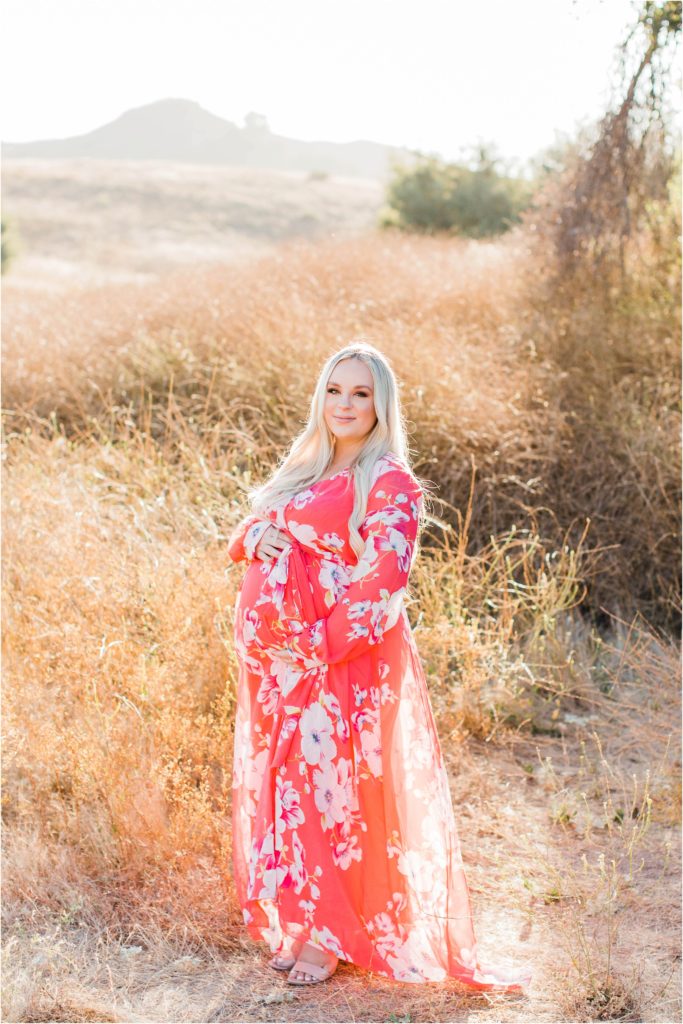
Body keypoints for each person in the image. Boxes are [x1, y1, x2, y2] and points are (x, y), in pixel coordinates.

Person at [227, 341, 532, 990]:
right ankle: (305, 923)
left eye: (360, 393)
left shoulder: (389, 481)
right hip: (280, 669)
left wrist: (314, 650)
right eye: (335, 390)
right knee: (291, 790)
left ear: (380, 404)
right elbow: (247, 530)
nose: (344, 404)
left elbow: (381, 587)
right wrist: (255, 539)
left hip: (341, 667)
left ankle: (332, 937)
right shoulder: (306, 463)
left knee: (336, 797)